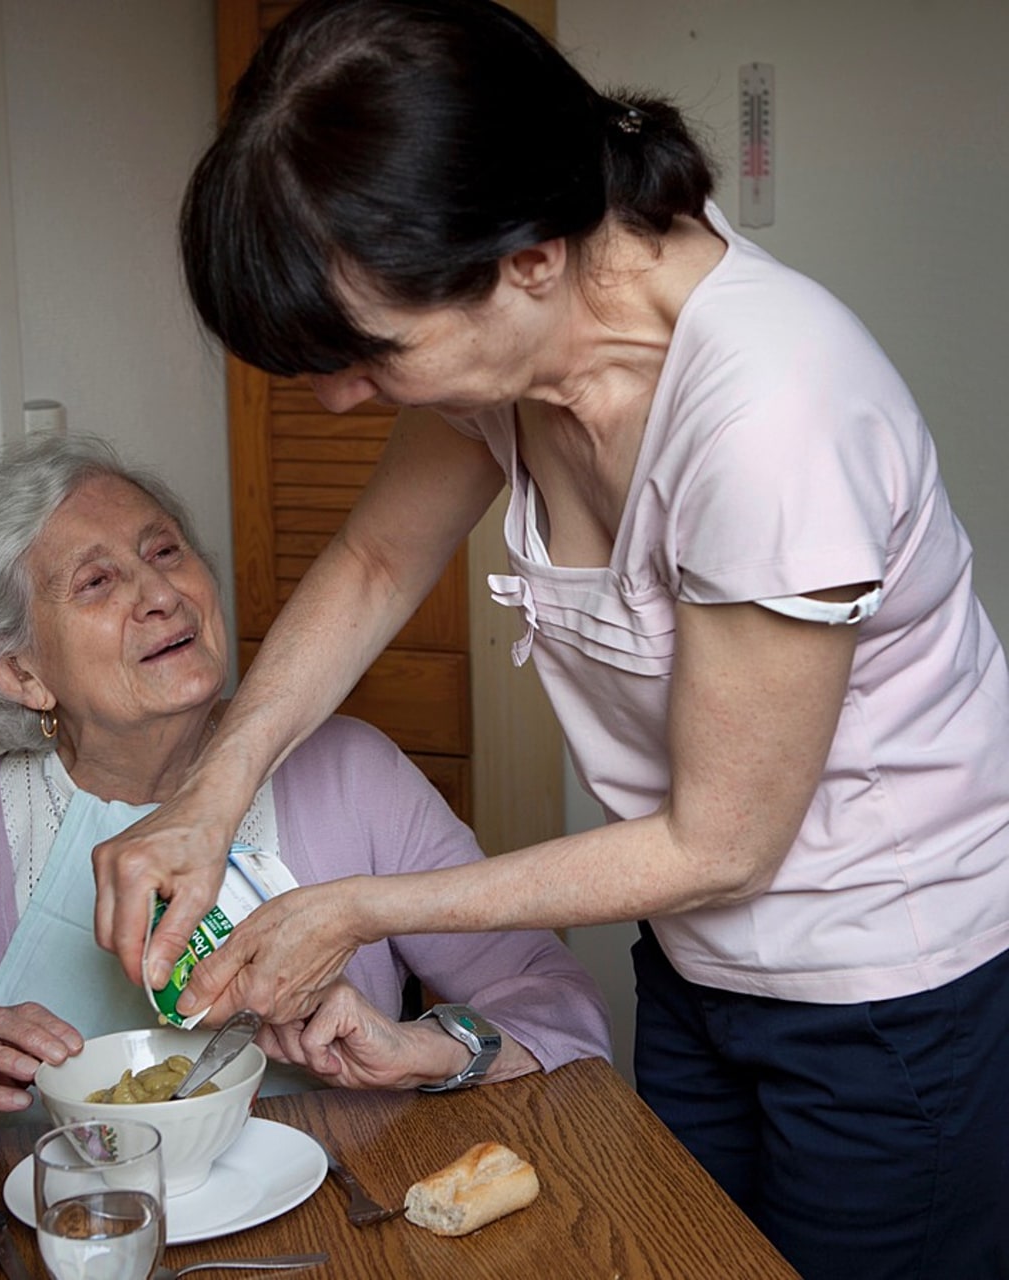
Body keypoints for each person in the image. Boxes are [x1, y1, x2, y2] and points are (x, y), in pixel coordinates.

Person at [86, 2, 1009, 1277]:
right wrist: (210, 791)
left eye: (371, 355)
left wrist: (353, 910)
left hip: (883, 991)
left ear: (526, 258)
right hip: (696, 961)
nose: (341, 398)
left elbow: (721, 840)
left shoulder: (772, 415)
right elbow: (368, 563)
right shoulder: (520, 351)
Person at [0, 431, 610, 1156]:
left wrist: (427, 1048)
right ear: (22, 673)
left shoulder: (352, 775)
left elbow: (561, 1011)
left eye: (166, 551)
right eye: (98, 583)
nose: (162, 594)